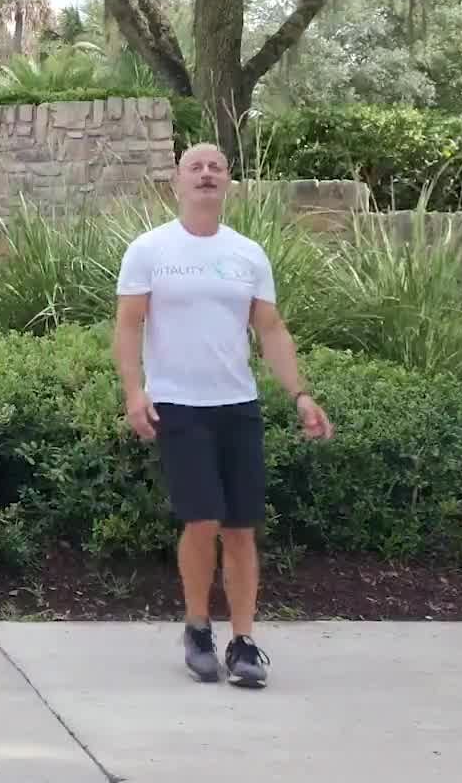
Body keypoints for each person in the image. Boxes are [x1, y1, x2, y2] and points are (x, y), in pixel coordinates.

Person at [111, 142, 332, 689]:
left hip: (238, 405)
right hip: (177, 404)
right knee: (203, 518)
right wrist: (135, 392)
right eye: (196, 167)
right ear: (177, 182)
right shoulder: (150, 249)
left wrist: (300, 395)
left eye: (216, 167)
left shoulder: (248, 254)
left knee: (240, 528)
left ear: (228, 181)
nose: (206, 174)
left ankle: (244, 642)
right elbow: (129, 324)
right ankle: (196, 628)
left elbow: (271, 329)